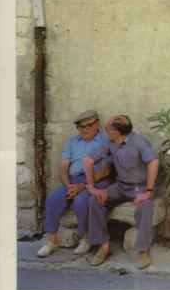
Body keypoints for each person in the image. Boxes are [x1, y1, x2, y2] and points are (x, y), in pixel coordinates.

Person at [83, 115, 159, 270]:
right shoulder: (109, 141)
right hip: (120, 186)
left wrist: (148, 191)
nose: (105, 130)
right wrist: (91, 187)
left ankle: (142, 250)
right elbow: (88, 160)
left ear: (116, 132)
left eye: (107, 128)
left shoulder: (138, 141)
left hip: (140, 186)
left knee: (146, 206)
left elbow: (154, 161)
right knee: (95, 200)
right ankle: (104, 246)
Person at [36, 110, 112, 258]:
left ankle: (86, 238)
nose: (84, 129)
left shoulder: (105, 140)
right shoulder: (72, 142)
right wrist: (68, 185)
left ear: (97, 124)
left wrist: (83, 186)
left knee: (81, 201)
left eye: (88, 125)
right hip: (73, 180)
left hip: (97, 180)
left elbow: (105, 171)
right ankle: (50, 241)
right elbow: (63, 167)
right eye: (80, 126)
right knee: (52, 199)